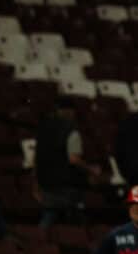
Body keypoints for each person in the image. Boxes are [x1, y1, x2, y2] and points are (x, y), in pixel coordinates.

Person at [34, 98, 100, 228]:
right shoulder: (71, 131)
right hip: (66, 184)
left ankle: (38, 238)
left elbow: (36, 158)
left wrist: (35, 182)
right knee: (74, 216)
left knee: (49, 214)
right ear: (71, 112)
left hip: (46, 181)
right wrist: (91, 169)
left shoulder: (43, 130)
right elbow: (73, 159)